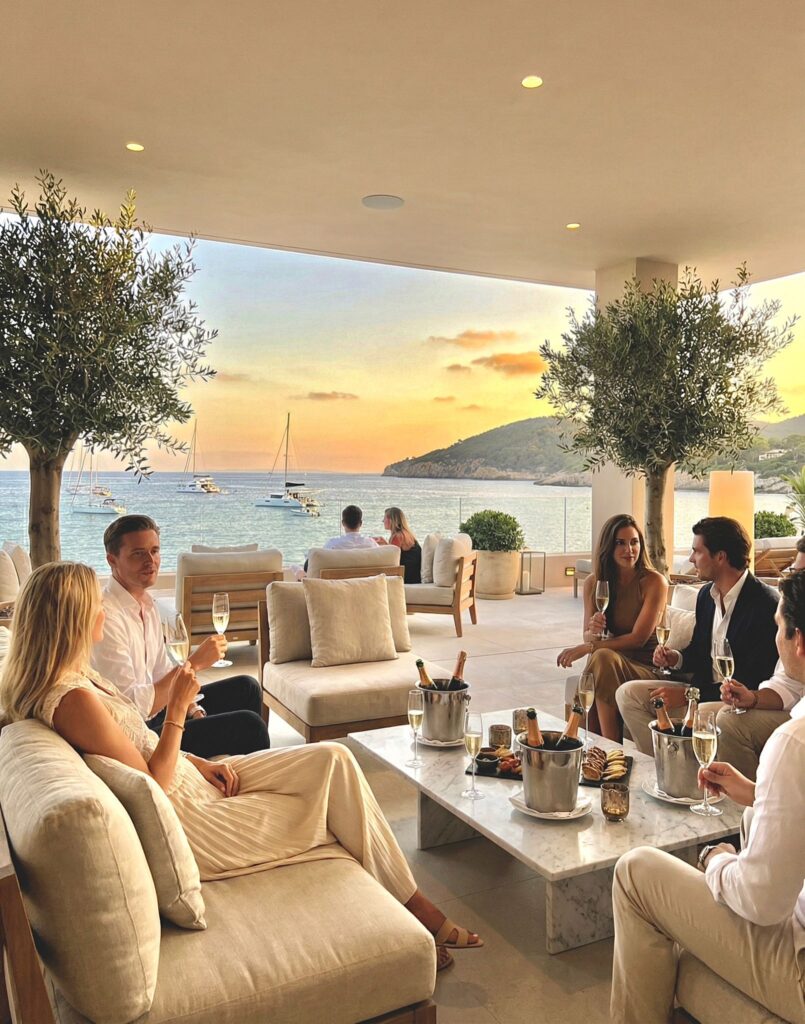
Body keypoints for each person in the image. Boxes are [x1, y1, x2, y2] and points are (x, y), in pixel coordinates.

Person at [0, 562, 483, 973]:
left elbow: (136, 747)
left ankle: (410, 908)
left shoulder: (76, 677)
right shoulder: (72, 701)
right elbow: (149, 785)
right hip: (194, 822)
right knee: (334, 807)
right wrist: (177, 714)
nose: (103, 610)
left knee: (334, 758)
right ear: (72, 617)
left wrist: (195, 760)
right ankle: (417, 911)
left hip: (193, 782)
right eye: (94, 605)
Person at [609, 571, 805, 1024]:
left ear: (800, 642)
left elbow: (761, 900)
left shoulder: (794, 743)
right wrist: (758, 794)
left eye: (781, 627)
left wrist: (717, 858)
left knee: (635, 871)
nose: (777, 637)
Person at [92, 515, 269, 758]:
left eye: (154, 551)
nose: (150, 561)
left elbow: (161, 672)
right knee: (249, 726)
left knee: (246, 688)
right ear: (112, 560)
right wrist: (194, 664)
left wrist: (194, 709)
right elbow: (132, 707)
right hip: (142, 734)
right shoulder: (108, 617)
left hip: (159, 712)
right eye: (138, 553)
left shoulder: (147, 604)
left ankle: (239, 768)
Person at [616, 517, 779, 755]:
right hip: (700, 691)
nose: (692, 559)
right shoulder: (706, 596)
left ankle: (688, 773)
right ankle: (663, 765)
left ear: (720, 557)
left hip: (736, 702)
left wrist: (689, 695)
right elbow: (699, 651)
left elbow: (752, 680)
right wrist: (675, 658)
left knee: (701, 714)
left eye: (697, 551)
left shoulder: (764, 605)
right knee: (628, 694)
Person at [556, 514, 667, 741]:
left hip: (644, 668)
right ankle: (600, 752)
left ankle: (605, 746)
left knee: (602, 656)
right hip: (609, 665)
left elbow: (638, 638)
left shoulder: (654, 582)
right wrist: (593, 631)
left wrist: (587, 647)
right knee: (602, 657)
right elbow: (589, 635)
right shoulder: (594, 583)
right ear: (608, 546)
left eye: (634, 542)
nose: (629, 549)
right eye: (620, 543)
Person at [712, 535, 805, 778]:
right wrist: (752, 698)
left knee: (726, 722)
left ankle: (753, 810)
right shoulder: (706, 596)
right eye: (795, 572)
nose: (796, 582)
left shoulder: (767, 604)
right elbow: (789, 682)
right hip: (793, 708)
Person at [374, 507, 422, 583]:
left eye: (384, 518)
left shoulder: (397, 536)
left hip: (408, 577)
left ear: (391, 520)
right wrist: (385, 544)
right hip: (415, 575)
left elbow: (391, 560)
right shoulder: (406, 534)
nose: (383, 521)